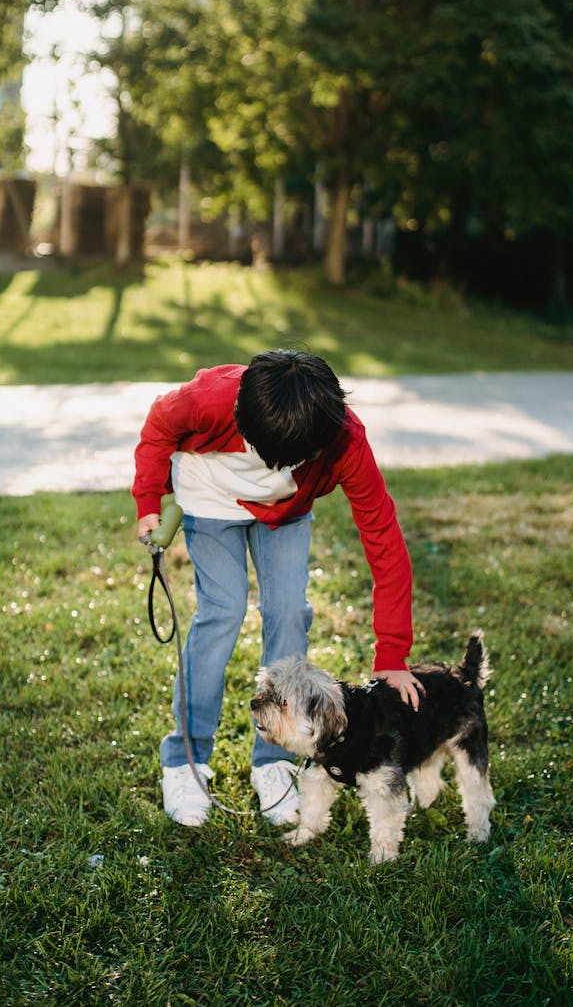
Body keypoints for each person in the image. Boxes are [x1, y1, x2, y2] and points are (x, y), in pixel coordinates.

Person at [132, 350, 422, 827]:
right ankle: (185, 758)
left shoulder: (345, 439)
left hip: (286, 511)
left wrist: (392, 654)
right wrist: (148, 496)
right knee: (223, 611)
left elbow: (385, 542)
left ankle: (274, 762)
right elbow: (159, 424)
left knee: (288, 611)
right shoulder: (209, 398)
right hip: (209, 494)